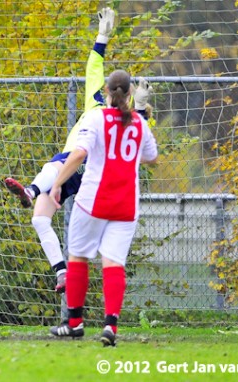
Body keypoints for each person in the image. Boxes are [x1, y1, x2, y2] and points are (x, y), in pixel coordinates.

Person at [4, 7, 153, 293]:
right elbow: (142, 142)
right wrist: (144, 109)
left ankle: (31, 191)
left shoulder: (102, 111)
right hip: (94, 179)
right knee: (39, 219)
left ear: (108, 91)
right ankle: (62, 273)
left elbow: (93, 68)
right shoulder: (128, 118)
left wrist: (102, 37)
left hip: (82, 168)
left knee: (56, 167)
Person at [48, 70, 158, 347]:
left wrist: (58, 183)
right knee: (113, 263)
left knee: (78, 257)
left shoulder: (96, 118)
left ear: (107, 92)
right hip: (126, 204)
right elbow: (151, 157)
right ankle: (110, 325)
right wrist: (142, 112)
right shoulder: (139, 123)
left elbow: (79, 153)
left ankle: (73, 323)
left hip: (93, 200)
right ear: (130, 93)